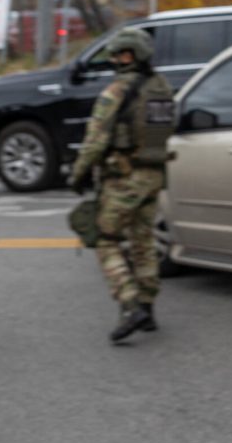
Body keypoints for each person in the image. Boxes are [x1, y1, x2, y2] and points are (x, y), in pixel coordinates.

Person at [68, 27, 175, 343]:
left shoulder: (116, 92)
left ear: (131, 55)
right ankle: (148, 307)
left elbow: (95, 141)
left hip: (124, 178)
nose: (115, 59)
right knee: (143, 242)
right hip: (154, 176)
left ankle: (130, 304)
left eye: (119, 54)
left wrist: (77, 174)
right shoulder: (162, 88)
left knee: (105, 239)